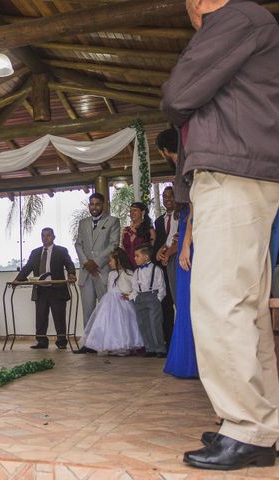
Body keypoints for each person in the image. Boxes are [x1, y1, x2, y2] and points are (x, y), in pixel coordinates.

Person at [162, 0, 279, 469]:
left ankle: (247, 426)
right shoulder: (249, 23)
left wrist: (200, 34)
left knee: (220, 299)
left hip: (234, 172)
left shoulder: (236, 18)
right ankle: (258, 425)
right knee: (245, 307)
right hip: (242, 170)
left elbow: (177, 94)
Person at [14, 227, 77, 350]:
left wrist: (71, 273)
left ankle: (61, 341)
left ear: (53, 237)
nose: (45, 238)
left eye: (48, 235)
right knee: (41, 317)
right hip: (41, 290)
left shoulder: (61, 251)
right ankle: (42, 341)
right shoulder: (35, 252)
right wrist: (18, 279)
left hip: (57, 289)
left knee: (59, 317)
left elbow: (69, 264)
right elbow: (28, 267)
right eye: (43, 235)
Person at [80, 248, 143, 355]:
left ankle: (122, 345)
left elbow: (136, 287)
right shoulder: (111, 274)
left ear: (118, 260)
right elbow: (110, 288)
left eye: (111, 260)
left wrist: (130, 295)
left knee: (122, 324)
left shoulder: (128, 273)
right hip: (109, 302)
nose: (109, 263)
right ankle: (111, 345)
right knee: (109, 323)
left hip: (123, 302)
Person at [74, 193, 120, 329]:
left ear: (103, 205)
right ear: (89, 205)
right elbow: (78, 244)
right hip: (86, 272)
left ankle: (109, 343)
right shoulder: (83, 223)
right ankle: (88, 343)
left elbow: (113, 244)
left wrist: (96, 262)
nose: (94, 207)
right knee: (88, 311)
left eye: (97, 204)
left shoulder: (113, 221)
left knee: (107, 309)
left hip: (102, 271)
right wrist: (86, 263)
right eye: (92, 204)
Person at [164, 203, 199, 379]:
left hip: (194, 251)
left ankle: (195, 362)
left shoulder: (192, 206)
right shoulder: (185, 211)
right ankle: (189, 361)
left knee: (193, 305)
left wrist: (185, 246)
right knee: (186, 306)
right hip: (187, 253)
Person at [129, 244, 166, 358]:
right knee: (143, 324)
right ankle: (150, 348)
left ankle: (160, 349)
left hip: (152, 297)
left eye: (137, 256)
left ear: (146, 257)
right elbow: (134, 287)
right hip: (140, 298)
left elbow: (161, 286)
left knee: (155, 324)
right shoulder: (136, 272)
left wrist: (158, 298)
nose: (135, 258)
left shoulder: (157, 269)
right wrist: (135, 297)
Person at [153, 185, 178, 348]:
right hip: (163, 265)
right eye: (164, 196)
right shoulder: (158, 221)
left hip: (178, 261)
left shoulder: (181, 216)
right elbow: (161, 242)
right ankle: (168, 340)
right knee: (166, 302)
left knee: (178, 300)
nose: (167, 199)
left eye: (171, 196)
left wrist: (168, 253)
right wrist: (160, 254)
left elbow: (177, 239)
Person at [122, 202, 155, 269]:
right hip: (127, 268)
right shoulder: (126, 230)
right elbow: (123, 249)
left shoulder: (149, 230)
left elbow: (151, 251)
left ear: (142, 213)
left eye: (135, 210)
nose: (132, 213)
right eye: (130, 211)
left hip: (144, 268)